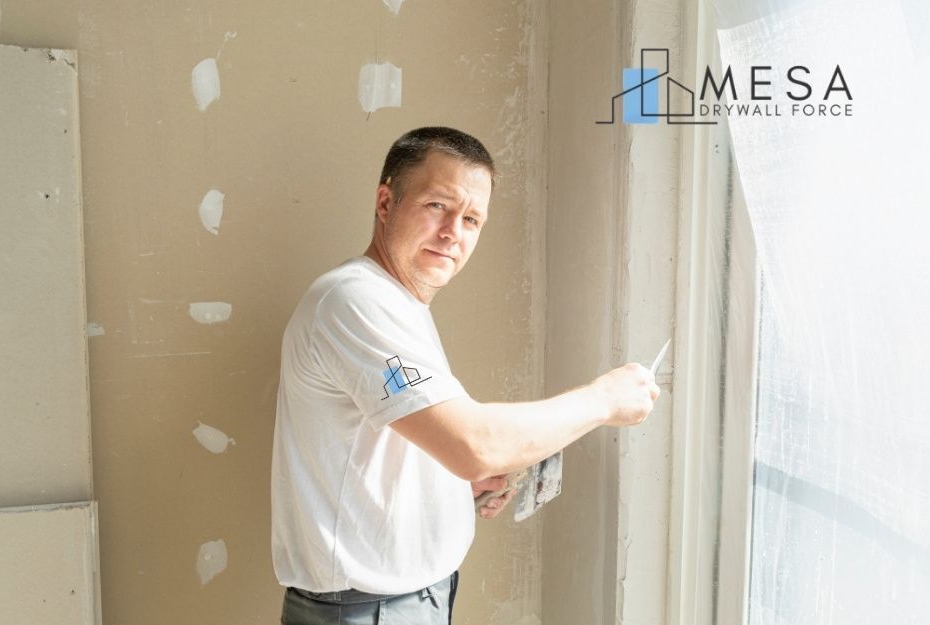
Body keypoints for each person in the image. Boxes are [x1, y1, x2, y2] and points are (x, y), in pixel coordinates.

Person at [271, 127, 660, 625]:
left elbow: (402, 438)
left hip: (402, 603)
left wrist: (452, 489)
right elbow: (474, 445)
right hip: (368, 612)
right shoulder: (353, 303)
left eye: (472, 218)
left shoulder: (396, 305)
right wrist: (605, 398)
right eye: (437, 205)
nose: (454, 231)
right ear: (386, 202)